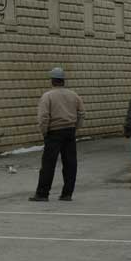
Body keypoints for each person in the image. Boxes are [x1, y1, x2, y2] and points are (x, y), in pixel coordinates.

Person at [29, 67, 85, 202]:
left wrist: (44, 132)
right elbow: (81, 114)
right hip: (69, 131)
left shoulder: (47, 96)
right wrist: (75, 127)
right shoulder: (74, 95)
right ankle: (67, 194)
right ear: (63, 80)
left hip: (54, 132)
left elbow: (43, 117)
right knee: (70, 164)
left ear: (52, 80)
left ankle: (42, 194)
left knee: (48, 164)